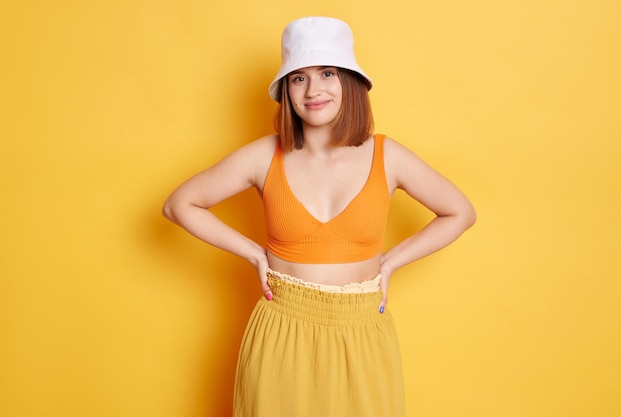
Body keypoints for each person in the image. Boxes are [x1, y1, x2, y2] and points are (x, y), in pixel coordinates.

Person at [163, 16, 475, 417]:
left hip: (361, 330)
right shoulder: (264, 155)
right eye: (299, 78)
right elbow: (179, 204)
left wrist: (392, 262)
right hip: (282, 329)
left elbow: (460, 212)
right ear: (287, 91)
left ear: (350, 82)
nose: (313, 90)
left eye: (327, 73)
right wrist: (255, 254)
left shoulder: (387, 155)